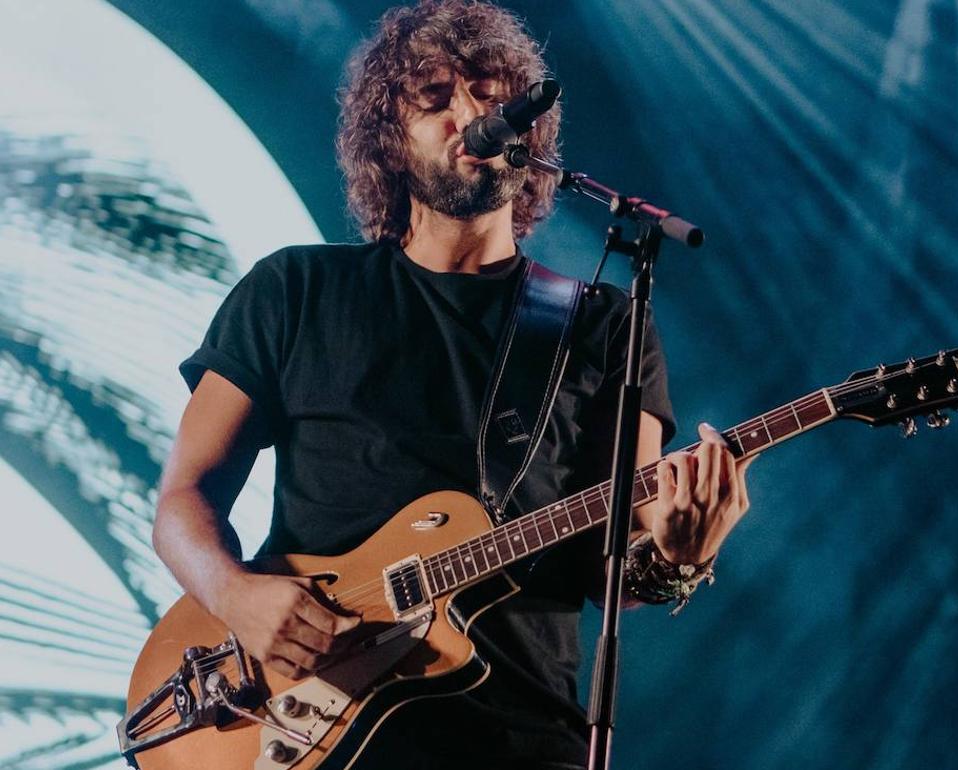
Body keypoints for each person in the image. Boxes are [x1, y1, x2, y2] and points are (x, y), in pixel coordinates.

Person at [150, 1, 754, 767]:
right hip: (314, 728)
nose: (472, 116)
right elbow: (182, 501)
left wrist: (678, 559)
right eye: (435, 100)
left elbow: (619, 575)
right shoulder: (295, 290)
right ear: (389, 143)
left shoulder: (601, 324)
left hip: (520, 737)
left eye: (492, 98)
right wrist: (234, 594)